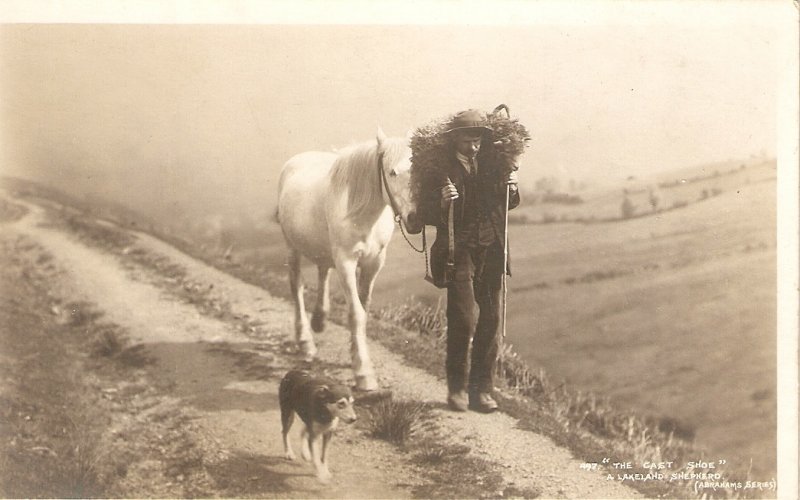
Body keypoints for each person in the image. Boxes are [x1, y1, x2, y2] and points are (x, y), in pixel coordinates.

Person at [421, 109, 520, 413]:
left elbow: (507, 204)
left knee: (490, 319)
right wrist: (442, 201)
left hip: (491, 249)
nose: (473, 147)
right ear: (454, 141)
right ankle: (457, 389)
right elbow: (424, 213)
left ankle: (483, 391)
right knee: (463, 318)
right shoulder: (439, 171)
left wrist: (513, 189)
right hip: (458, 250)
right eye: (467, 141)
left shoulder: (493, 165)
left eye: (477, 141)